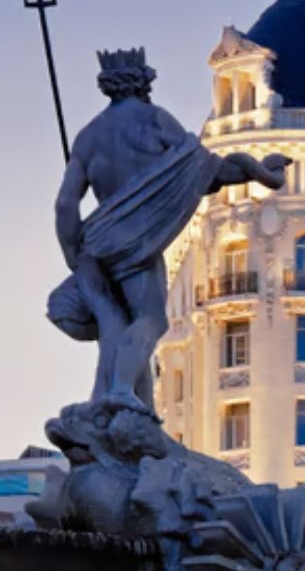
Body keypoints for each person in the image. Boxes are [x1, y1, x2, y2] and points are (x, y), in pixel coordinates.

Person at [50, 48, 290, 410]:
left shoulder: (88, 137)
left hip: (94, 245)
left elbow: (66, 205)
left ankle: (122, 402)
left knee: (113, 326)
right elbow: (206, 171)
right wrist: (262, 170)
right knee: (149, 319)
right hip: (136, 245)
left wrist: (73, 255)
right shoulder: (155, 121)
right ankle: (120, 392)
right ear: (144, 83)